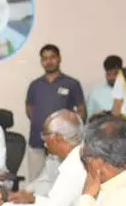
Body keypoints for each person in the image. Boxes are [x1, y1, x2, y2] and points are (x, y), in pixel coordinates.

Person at [0, 109, 84, 206]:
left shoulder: (75, 167)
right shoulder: (74, 158)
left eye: (45, 135)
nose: (44, 142)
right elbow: (55, 203)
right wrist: (33, 199)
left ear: (56, 137)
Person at [25, 44, 86, 181]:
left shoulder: (72, 83)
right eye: (45, 58)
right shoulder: (35, 85)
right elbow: (29, 110)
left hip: (62, 143)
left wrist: (71, 132)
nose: (49, 61)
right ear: (41, 61)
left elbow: (81, 111)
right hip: (37, 141)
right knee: (35, 180)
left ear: (59, 59)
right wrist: (44, 125)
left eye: (52, 57)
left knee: (61, 180)